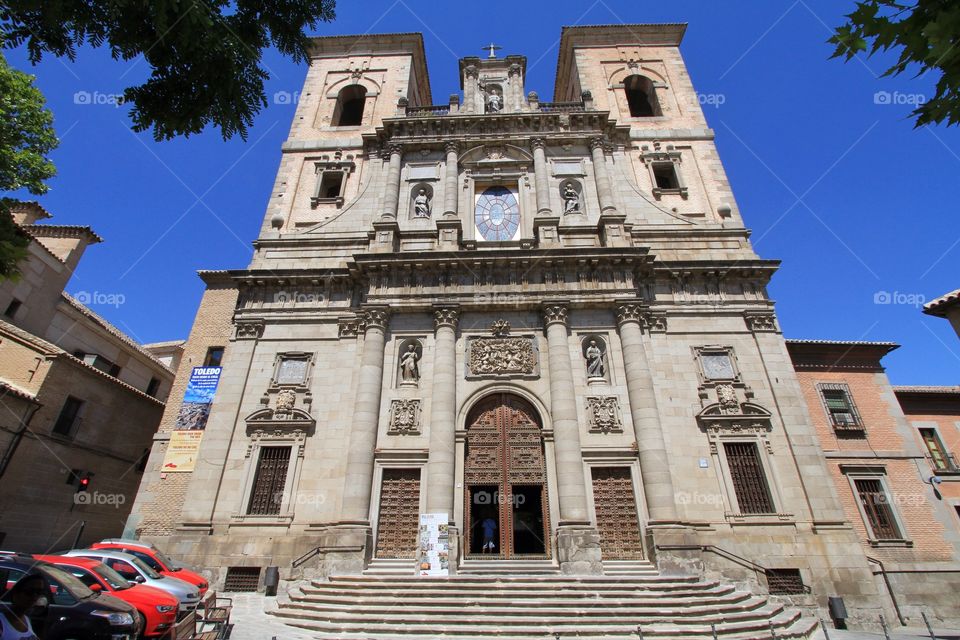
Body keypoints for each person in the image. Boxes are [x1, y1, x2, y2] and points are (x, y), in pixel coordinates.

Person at [1, 573, 44, 640]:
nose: (35, 597)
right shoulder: (2, 622)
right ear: (15, 595)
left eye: (39, 592)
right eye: (29, 591)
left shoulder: (26, 619)